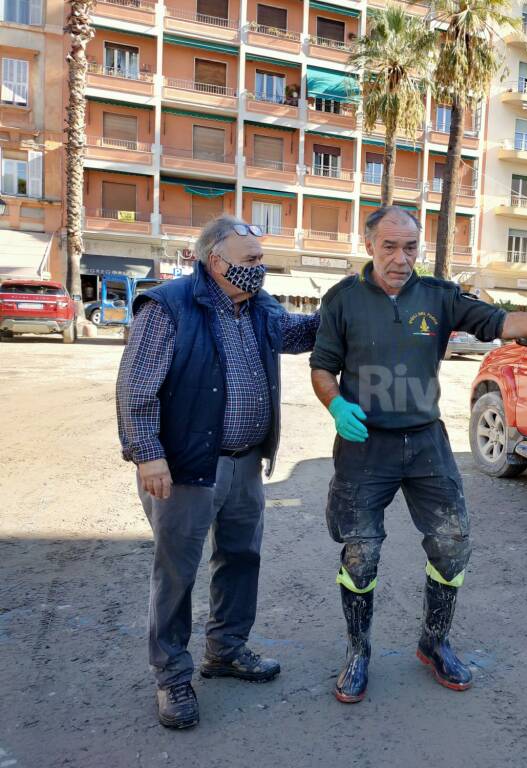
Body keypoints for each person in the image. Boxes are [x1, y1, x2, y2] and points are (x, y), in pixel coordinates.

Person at [309, 205, 527, 703]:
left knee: (452, 544)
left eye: (411, 248)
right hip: (364, 446)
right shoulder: (341, 301)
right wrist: (335, 403)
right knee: (360, 554)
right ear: (368, 245)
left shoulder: (439, 296)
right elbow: (322, 367)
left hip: (426, 442)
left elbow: (497, 322)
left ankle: (435, 642)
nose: (401, 258)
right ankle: (358, 651)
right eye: (390, 246)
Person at [115, 216, 320, 729]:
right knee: (177, 574)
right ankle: (172, 676)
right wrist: (147, 454)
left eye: (261, 259)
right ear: (216, 261)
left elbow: (297, 335)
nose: (260, 269)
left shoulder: (259, 308)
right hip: (186, 467)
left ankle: (226, 650)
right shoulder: (169, 306)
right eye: (250, 261)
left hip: (246, 462)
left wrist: (348, 303)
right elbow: (136, 387)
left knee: (240, 558)